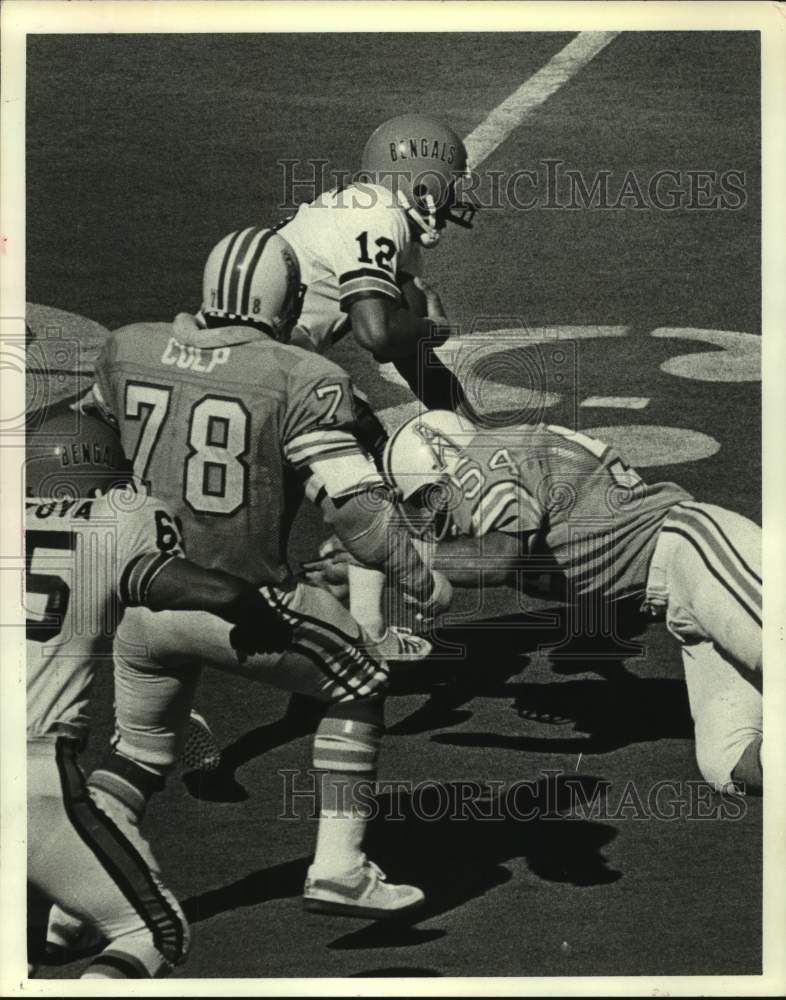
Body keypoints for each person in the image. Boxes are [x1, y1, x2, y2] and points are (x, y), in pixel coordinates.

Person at [73, 228, 451, 918]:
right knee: (363, 677)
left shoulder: (127, 347)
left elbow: (83, 459)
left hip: (142, 602)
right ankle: (341, 867)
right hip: (245, 603)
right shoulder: (297, 376)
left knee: (137, 756)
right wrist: (422, 578)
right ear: (287, 299)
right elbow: (354, 513)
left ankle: (76, 906)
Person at [314, 409, 763, 794]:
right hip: (676, 600)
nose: (431, 521)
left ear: (438, 469)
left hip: (696, 552)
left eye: (426, 503)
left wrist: (397, 559)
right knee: (726, 757)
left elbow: (499, 560)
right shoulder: (489, 458)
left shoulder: (487, 457)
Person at [25, 412, 292, 979]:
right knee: (155, 932)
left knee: (25, 947)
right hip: (29, 779)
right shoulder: (118, 515)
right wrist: (259, 615)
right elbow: (211, 589)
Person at [276, 114, 476, 639]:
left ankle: (337, 603)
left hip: (265, 364)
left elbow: (418, 368)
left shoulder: (366, 212)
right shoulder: (377, 214)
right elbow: (378, 334)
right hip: (275, 370)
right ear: (423, 182)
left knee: (270, 526)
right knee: (380, 479)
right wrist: (432, 327)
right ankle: (363, 630)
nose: (457, 196)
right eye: (452, 180)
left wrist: (478, 437)